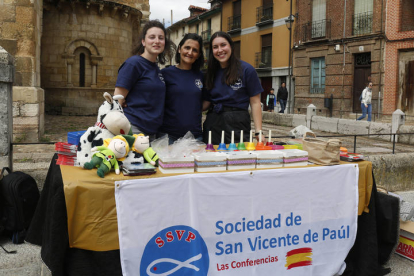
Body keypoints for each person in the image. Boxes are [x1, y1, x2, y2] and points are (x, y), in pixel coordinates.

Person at [113, 20, 173, 141]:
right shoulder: (133, 64)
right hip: (134, 129)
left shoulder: (156, 68)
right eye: (152, 37)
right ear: (143, 41)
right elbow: (117, 101)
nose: (157, 41)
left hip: (152, 132)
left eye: (161, 38)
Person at [202, 31, 264, 145]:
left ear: (231, 46)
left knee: (239, 159)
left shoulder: (247, 70)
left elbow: (255, 102)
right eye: (215, 47)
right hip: (213, 122)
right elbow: (206, 103)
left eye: (223, 45)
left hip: (238, 123)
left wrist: (258, 131)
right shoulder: (209, 73)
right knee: (212, 159)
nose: (220, 50)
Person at [158, 33, 205, 144]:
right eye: (187, 48)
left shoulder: (201, 76)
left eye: (195, 50)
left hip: (195, 137)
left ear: (198, 55)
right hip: (168, 136)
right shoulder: (165, 73)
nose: (190, 52)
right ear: (179, 49)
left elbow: (205, 102)